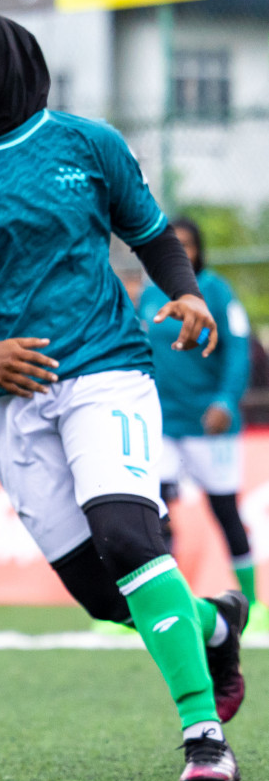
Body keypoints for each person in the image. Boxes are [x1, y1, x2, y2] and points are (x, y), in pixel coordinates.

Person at [0, 7, 247, 781]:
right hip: (3, 398)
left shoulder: (87, 144)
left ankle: (201, 729)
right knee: (97, 592)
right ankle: (214, 627)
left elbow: (149, 232)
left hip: (104, 366)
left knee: (127, 535)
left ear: (1, 59)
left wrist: (182, 294)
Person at [139, 218, 259, 625]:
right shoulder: (150, 296)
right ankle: (166, 606)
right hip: (162, 425)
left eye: (189, 245)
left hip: (210, 424)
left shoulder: (217, 291)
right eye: (175, 245)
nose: (182, 253)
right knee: (157, 512)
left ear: (200, 250)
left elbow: (239, 352)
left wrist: (225, 400)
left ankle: (255, 605)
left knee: (224, 510)